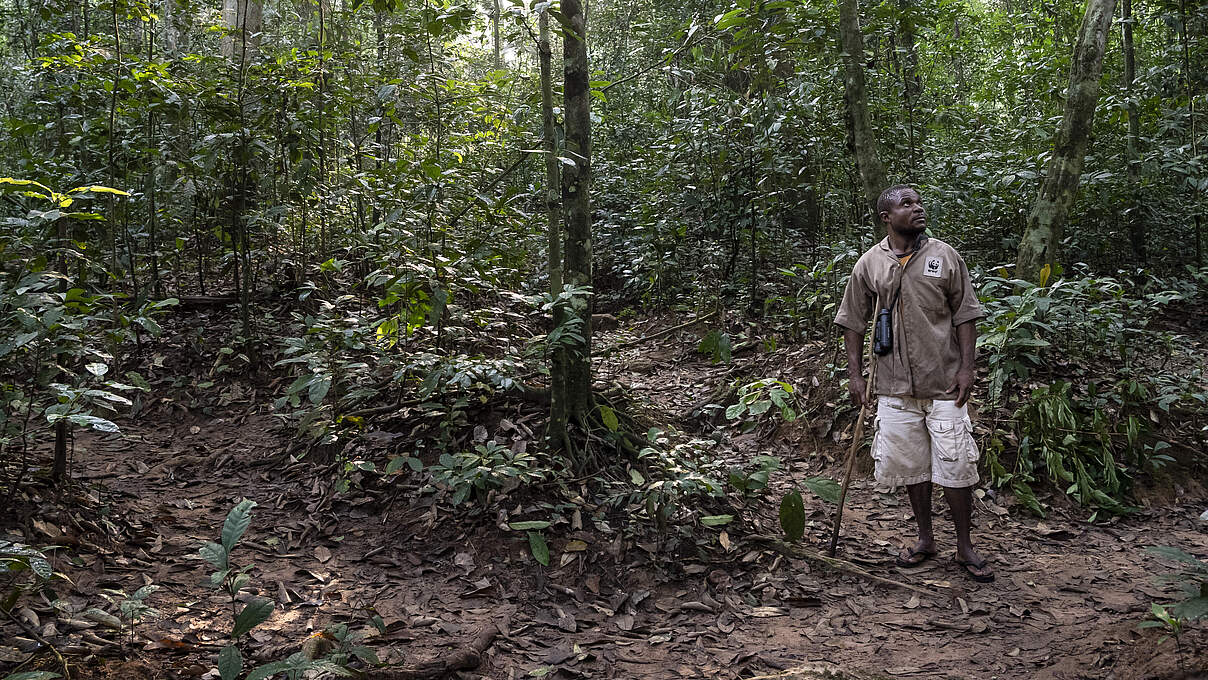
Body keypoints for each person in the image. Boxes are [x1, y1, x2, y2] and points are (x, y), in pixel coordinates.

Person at [832, 185, 993, 583]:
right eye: (906, 204)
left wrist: (967, 369)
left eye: (918, 202)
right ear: (886, 217)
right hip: (892, 385)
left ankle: (964, 545)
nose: (917, 209)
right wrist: (856, 376)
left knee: (956, 465)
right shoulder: (869, 263)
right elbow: (852, 321)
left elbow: (965, 314)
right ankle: (925, 539)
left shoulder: (944, 255)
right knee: (911, 467)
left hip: (944, 383)